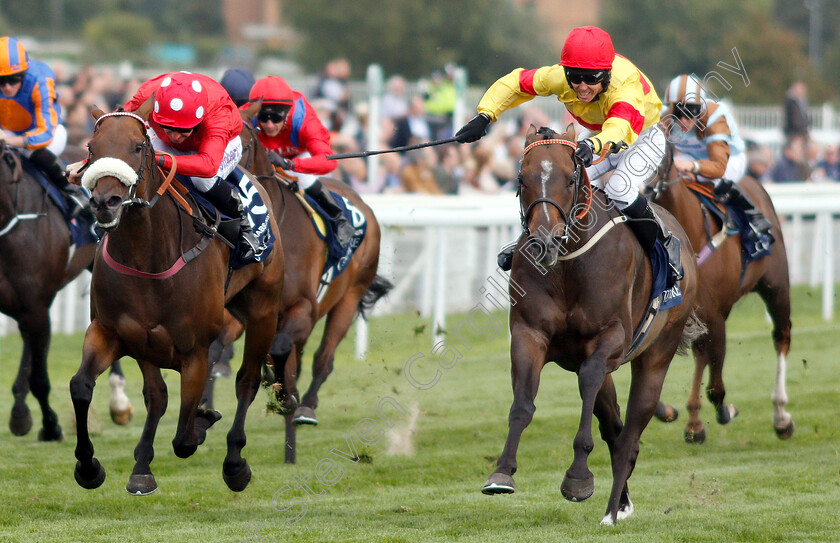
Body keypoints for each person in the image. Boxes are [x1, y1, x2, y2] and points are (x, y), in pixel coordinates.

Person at [456, 26, 681, 282]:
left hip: (642, 137)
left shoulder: (625, 86)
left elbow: (620, 127)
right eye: (575, 76)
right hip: (598, 135)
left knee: (619, 188)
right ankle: (532, 240)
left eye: (591, 78)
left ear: (606, 74)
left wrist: (593, 145)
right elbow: (516, 82)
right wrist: (485, 115)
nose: (582, 87)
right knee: (561, 180)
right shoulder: (558, 77)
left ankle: (663, 244)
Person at [124, 71, 261, 260]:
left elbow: (208, 165)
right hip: (176, 141)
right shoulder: (146, 96)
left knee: (201, 180)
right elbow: (116, 133)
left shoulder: (218, 113)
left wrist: (158, 160)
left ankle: (245, 227)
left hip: (221, 143)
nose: (176, 137)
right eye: (169, 128)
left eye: (183, 131)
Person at [661, 74, 773, 243]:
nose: (684, 120)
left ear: (701, 108)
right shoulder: (665, 116)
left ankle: (754, 216)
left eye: (691, 112)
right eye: (679, 112)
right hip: (692, 156)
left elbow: (719, 167)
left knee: (711, 179)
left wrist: (692, 166)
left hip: (729, 160)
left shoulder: (714, 117)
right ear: (670, 108)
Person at [247, 75, 355, 247]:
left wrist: (290, 164)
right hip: (263, 158)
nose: (268, 124)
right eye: (263, 117)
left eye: (275, 118)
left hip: (295, 158)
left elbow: (329, 162)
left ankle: (338, 218)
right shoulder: (247, 114)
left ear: (288, 112)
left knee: (304, 178)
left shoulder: (305, 121)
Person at [0, 36, 88, 216]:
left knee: (35, 152)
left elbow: (45, 134)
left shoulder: (40, 80)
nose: (7, 87)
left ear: (24, 73)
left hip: (48, 132)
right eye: (1, 81)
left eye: (13, 79)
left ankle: (75, 193)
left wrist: (8, 140)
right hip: (8, 130)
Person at [783, 81, 810, 146]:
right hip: (794, 132)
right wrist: (801, 130)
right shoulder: (791, 102)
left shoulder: (801, 101)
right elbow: (794, 119)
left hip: (800, 131)